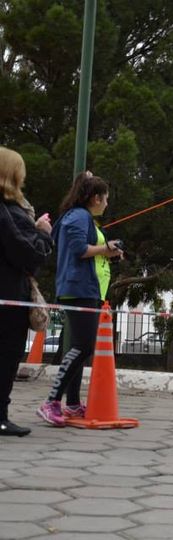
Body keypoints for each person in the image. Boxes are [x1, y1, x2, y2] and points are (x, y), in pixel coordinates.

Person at [36, 171, 123, 427]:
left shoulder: (81, 218)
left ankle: (72, 403)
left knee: (82, 346)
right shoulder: (78, 216)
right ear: (96, 198)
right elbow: (79, 250)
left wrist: (109, 252)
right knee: (84, 346)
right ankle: (51, 402)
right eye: (105, 199)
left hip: (89, 290)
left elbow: (87, 250)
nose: (107, 204)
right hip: (78, 290)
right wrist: (106, 249)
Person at [0, 147, 53, 436]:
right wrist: (43, 232)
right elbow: (29, 252)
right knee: (7, 356)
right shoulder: (8, 210)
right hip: (8, 298)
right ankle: (0, 416)